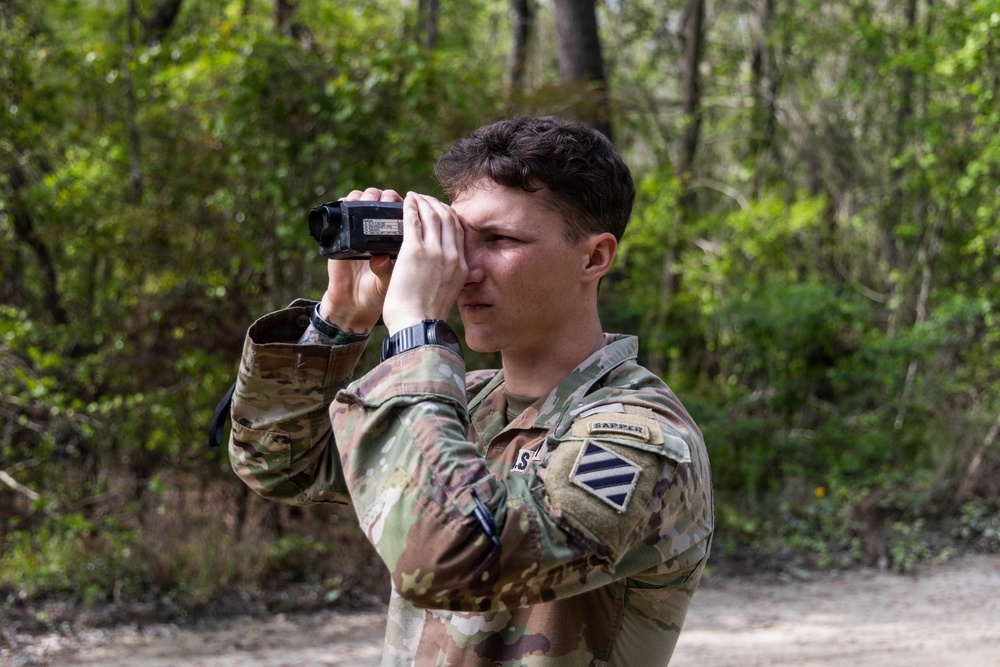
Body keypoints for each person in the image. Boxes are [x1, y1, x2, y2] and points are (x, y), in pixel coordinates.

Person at [228, 115, 713, 666]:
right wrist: (339, 319)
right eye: (458, 240)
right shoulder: (465, 402)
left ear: (595, 257)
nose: (464, 270)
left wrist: (414, 331)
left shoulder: (639, 438)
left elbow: (455, 560)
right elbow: (280, 461)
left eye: (499, 240)